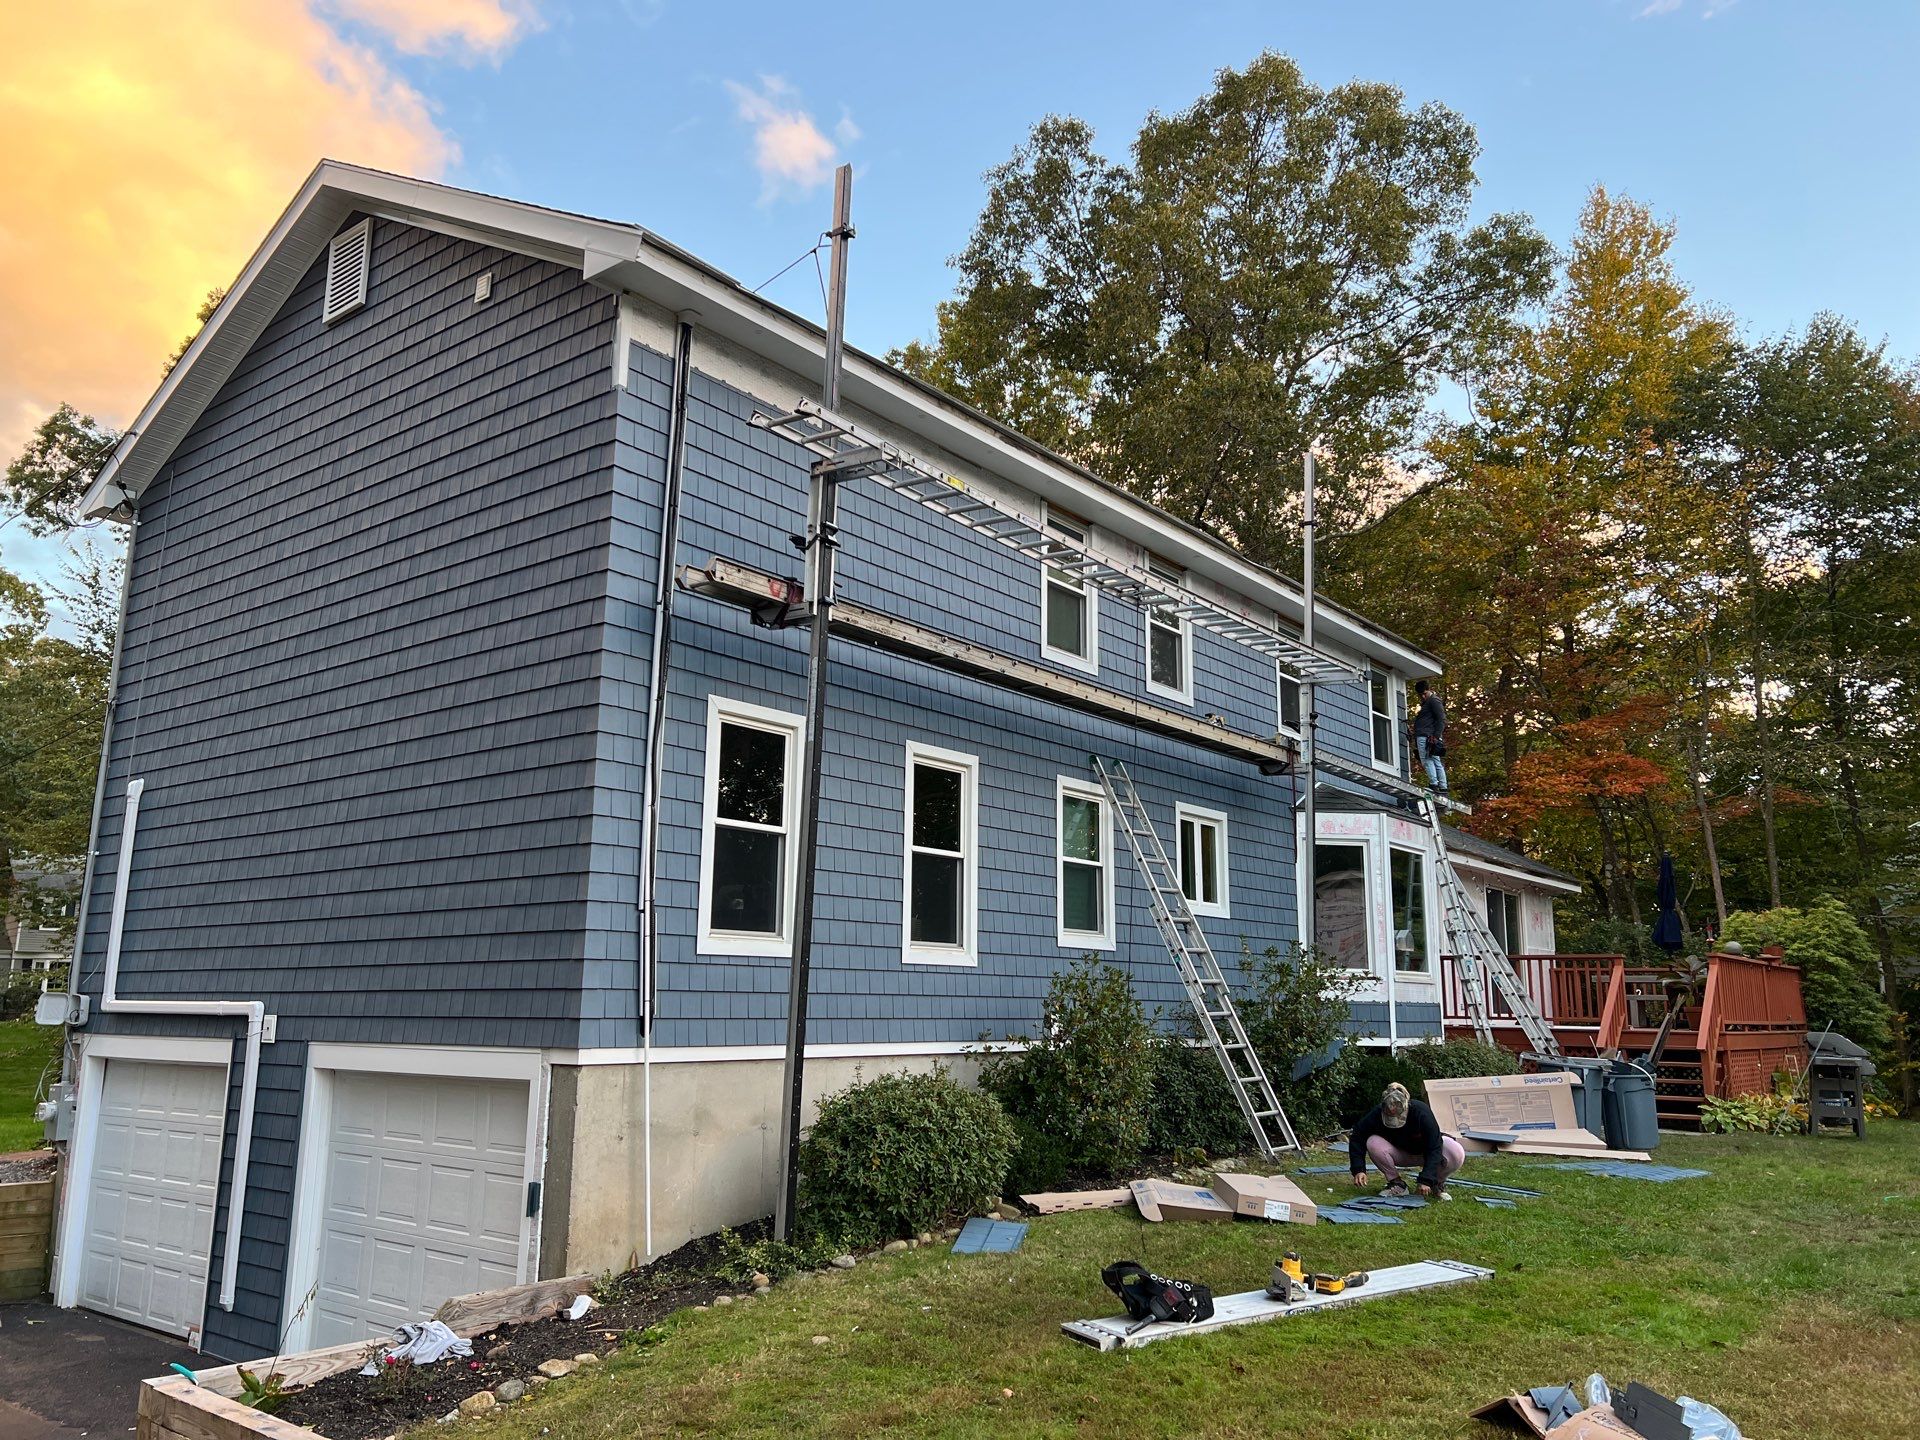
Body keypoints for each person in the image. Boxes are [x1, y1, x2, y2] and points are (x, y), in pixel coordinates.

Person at [1348, 1081, 1465, 1199]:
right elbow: (1358, 1136)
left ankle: (1436, 1183)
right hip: (1400, 1153)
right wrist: (1359, 1169)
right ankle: (1397, 1184)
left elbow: (1434, 1147)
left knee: (1456, 1151)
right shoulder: (1376, 1114)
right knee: (1373, 1142)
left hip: (1426, 1152)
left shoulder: (1421, 1113)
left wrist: (1427, 1178)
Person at [1412, 679, 1448, 794]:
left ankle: (1434, 784)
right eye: (1420, 695)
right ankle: (1442, 787)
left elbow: (1441, 720)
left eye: (1424, 694)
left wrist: (1436, 736)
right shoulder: (1429, 702)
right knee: (1435, 760)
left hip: (1427, 736)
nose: (1422, 696)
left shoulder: (1434, 701)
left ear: (1429, 690)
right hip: (1429, 735)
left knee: (1427, 760)